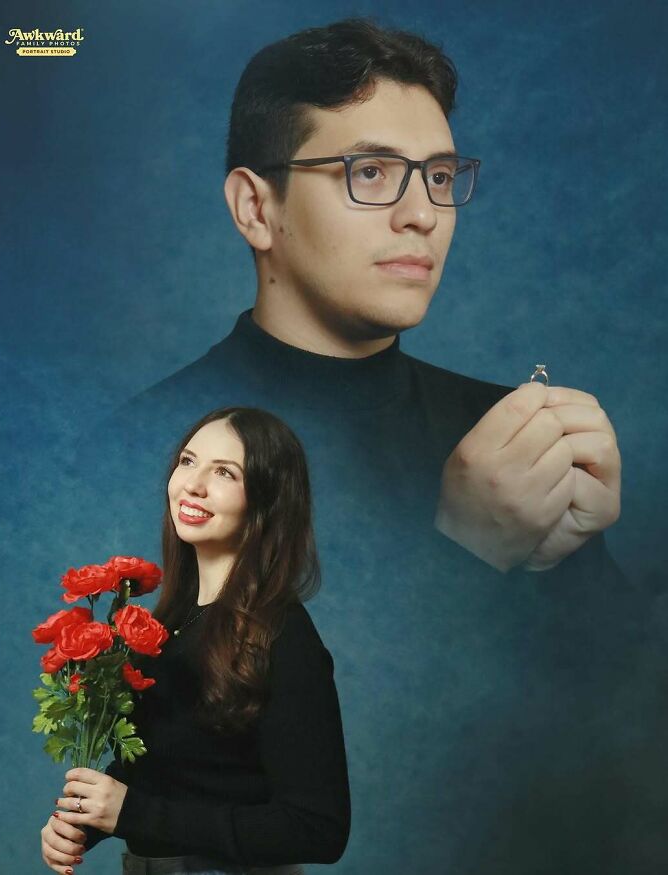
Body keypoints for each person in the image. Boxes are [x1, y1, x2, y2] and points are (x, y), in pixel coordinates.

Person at [64, 19, 668, 873]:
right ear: (254, 207)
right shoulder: (129, 439)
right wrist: (468, 545)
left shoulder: (510, 432)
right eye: (372, 172)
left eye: (442, 176)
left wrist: (570, 559)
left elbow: (613, 739)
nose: (424, 214)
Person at [42, 408, 351, 875]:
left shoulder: (283, 634)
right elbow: (182, 773)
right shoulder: (174, 625)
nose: (193, 484)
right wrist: (86, 820)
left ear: (267, 501)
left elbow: (317, 829)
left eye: (225, 472)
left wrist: (132, 811)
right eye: (187, 461)